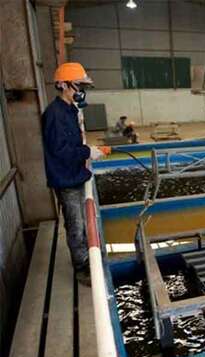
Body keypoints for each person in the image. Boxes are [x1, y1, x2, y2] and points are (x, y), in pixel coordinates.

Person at [42, 62, 111, 286]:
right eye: (79, 85)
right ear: (64, 85)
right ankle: (82, 268)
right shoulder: (55, 115)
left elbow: (72, 144)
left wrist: (87, 150)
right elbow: (61, 151)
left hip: (75, 174)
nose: (81, 90)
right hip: (66, 179)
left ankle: (88, 257)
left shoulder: (70, 110)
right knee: (76, 224)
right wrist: (88, 151)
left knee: (81, 221)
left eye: (83, 86)